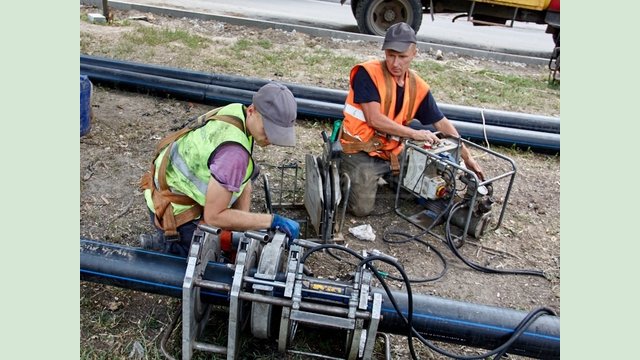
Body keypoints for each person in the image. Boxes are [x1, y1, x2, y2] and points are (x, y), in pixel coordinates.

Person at [339, 22, 485, 217]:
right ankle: (341, 170)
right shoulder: (368, 74)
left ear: (414, 53)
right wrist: (415, 134)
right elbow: (374, 119)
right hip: (360, 150)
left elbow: (441, 123)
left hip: (392, 152)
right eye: (390, 55)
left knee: (423, 187)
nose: (395, 63)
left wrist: (468, 158)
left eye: (402, 57)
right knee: (361, 209)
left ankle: (385, 177)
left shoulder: (417, 86)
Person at [139, 82, 301, 256]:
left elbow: (244, 183)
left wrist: (240, 229)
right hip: (170, 209)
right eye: (267, 129)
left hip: (166, 185)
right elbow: (214, 217)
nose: (271, 138)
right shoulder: (234, 154)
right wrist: (272, 221)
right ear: (252, 110)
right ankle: (164, 245)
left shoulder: (236, 112)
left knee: (250, 172)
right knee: (205, 264)